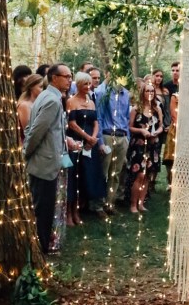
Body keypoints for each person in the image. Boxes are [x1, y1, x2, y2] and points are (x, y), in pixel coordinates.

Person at [23, 63, 79, 254]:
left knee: (44, 208)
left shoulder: (50, 96)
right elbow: (36, 131)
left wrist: (66, 140)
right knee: (43, 211)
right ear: (54, 78)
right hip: (43, 164)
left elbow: (49, 130)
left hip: (47, 161)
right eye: (67, 76)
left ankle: (41, 246)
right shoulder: (52, 100)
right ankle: (41, 249)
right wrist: (26, 154)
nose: (70, 80)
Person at [66, 71, 107, 224]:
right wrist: (87, 137)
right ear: (78, 85)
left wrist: (94, 138)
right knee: (73, 176)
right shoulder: (71, 101)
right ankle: (69, 214)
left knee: (86, 176)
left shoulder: (91, 102)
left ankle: (78, 211)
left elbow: (96, 121)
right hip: (76, 141)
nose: (88, 86)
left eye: (89, 84)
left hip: (91, 144)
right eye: (85, 84)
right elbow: (72, 124)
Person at [94, 72, 131, 211]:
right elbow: (99, 118)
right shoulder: (103, 92)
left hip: (122, 136)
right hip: (108, 135)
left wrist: (127, 138)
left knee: (116, 173)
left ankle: (110, 203)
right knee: (103, 172)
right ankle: (98, 205)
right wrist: (100, 141)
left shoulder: (126, 94)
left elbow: (127, 118)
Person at [127, 83, 161, 213]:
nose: (150, 93)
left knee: (147, 176)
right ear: (143, 93)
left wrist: (157, 132)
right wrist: (141, 131)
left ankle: (141, 203)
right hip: (139, 144)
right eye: (147, 91)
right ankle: (133, 204)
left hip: (152, 145)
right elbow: (130, 127)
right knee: (139, 175)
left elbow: (161, 126)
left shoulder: (157, 109)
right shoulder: (136, 109)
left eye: (152, 91)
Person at [16, 73, 44, 142]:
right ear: (31, 87)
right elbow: (28, 130)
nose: (43, 90)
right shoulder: (24, 105)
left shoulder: (39, 103)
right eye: (40, 87)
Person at [162, 91, 178, 187]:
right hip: (176, 130)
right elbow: (173, 115)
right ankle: (170, 182)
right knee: (171, 157)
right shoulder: (175, 96)